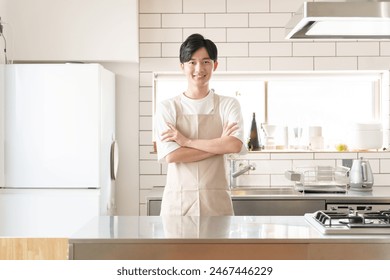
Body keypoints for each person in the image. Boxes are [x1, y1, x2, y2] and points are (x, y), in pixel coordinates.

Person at [154, 33, 246, 216]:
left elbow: (234, 145)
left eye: (206, 62)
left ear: (215, 65)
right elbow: (172, 156)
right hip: (178, 205)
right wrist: (219, 144)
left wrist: (186, 141)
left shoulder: (228, 104)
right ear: (182, 66)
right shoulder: (167, 107)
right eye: (192, 62)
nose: (199, 68)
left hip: (216, 204)